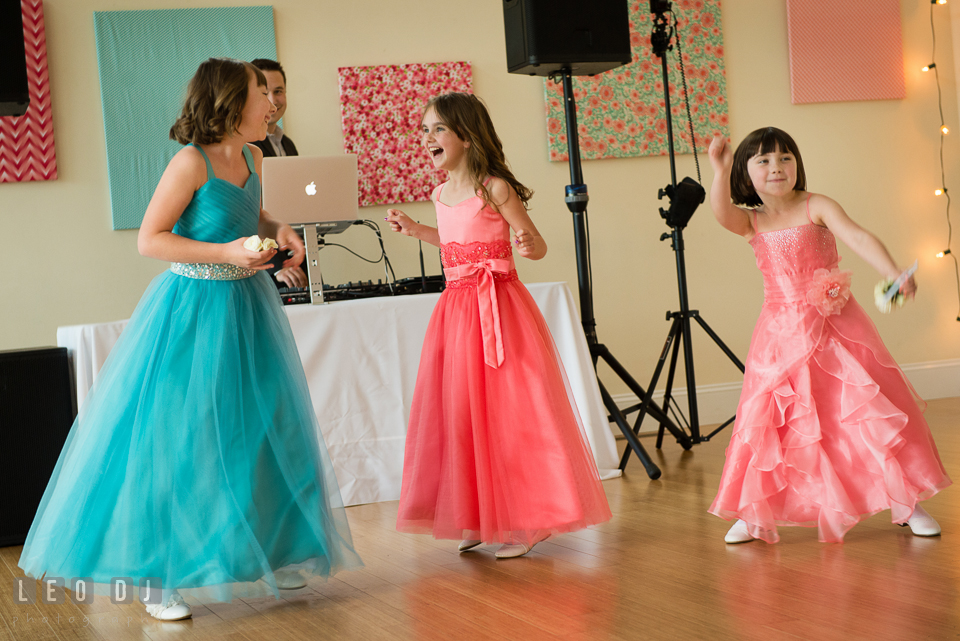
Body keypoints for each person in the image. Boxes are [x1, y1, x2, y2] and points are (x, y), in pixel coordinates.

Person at [18, 58, 360, 621]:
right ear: (231, 102)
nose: (271, 105)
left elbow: (253, 211)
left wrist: (279, 229)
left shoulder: (251, 156)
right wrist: (228, 254)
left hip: (248, 307)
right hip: (193, 311)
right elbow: (150, 240)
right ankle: (159, 576)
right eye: (261, 95)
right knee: (182, 440)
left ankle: (277, 551)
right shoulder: (189, 162)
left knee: (263, 429)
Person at [386, 92, 611, 559]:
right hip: (457, 311)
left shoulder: (495, 188)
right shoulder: (440, 193)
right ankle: (477, 515)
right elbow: (453, 243)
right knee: (463, 413)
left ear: (466, 137)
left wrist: (529, 244)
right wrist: (416, 230)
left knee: (510, 413)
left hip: (499, 309)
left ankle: (523, 521)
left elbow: (534, 241)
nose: (427, 138)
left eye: (437, 129)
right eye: (425, 129)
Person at [707, 127, 951, 544]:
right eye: (763, 161)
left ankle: (905, 502)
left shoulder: (815, 204)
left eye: (785, 158)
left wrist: (891, 271)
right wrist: (720, 168)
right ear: (746, 175)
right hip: (780, 334)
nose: (777, 167)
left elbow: (856, 235)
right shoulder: (752, 219)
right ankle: (754, 510)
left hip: (835, 327)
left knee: (864, 410)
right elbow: (721, 213)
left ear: (797, 164)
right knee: (773, 420)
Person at [250, 57, 307, 290]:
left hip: (294, 255)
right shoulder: (246, 147)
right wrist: (275, 269)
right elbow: (250, 216)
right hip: (267, 269)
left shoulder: (288, 144)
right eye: (265, 93)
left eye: (279, 91)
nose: (274, 101)